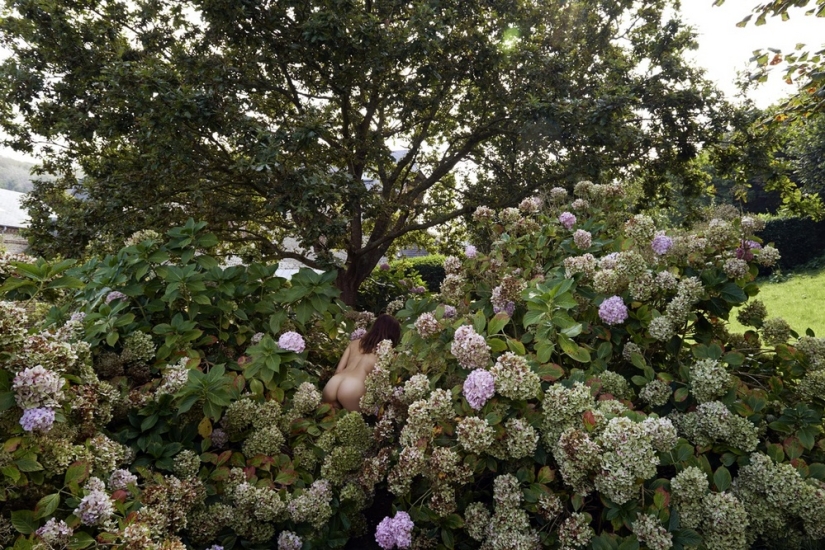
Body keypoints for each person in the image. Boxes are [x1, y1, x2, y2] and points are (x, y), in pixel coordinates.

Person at [322, 314, 401, 411]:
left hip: (333, 383)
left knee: (328, 420)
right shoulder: (387, 353)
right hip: (352, 388)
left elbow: (338, 370)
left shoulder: (354, 343)